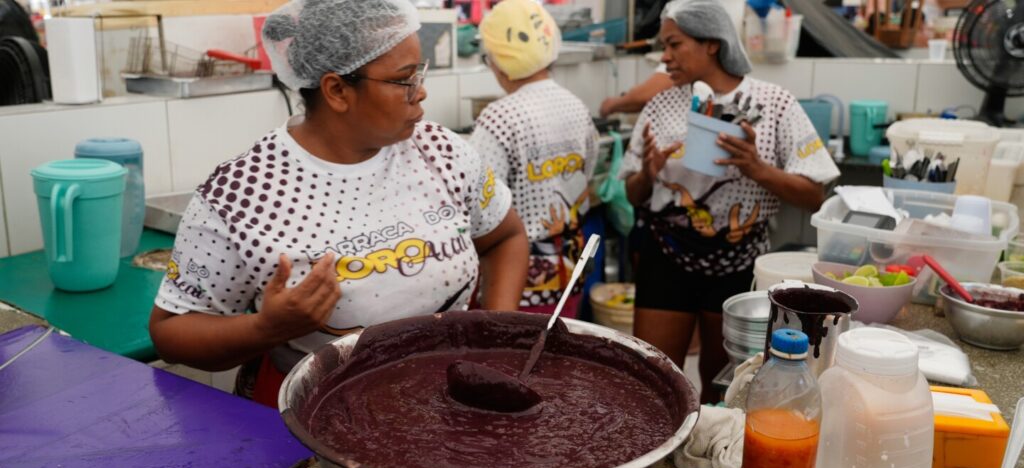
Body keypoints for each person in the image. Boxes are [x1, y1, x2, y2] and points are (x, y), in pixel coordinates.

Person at [149, 0, 529, 406]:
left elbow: (505, 238)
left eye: (420, 72)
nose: (421, 92)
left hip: (450, 400)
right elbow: (171, 333)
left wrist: (493, 333)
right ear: (337, 90)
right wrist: (266, 328)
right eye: (404, 80)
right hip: (317, 416)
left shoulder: (443, 153)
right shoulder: (243, 195)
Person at [621, 0, 840, 404]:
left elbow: (814, 195)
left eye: (673, 44)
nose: (664, 57)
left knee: (721, 381)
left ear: (712, 44)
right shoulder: (662, 105)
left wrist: (759, 170)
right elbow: (633, 194)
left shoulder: (774, 105)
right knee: (652, 377)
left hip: (738, 262)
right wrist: (648, 172)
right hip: (665, 254)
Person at [470, 0, 598, 316]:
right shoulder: (576, 106)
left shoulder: (498, 117)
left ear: (500, 59)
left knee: (511, 361)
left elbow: (480, 203)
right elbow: (589, 170)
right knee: (556, 355)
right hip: (571, 268)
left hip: (516, 280)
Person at [599, 65, 674, 117]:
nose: (665, 57)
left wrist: (612, 104)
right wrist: (616, 107)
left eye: (674, 45)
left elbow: (646, 95)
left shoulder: (675, 60)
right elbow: (644, 102)